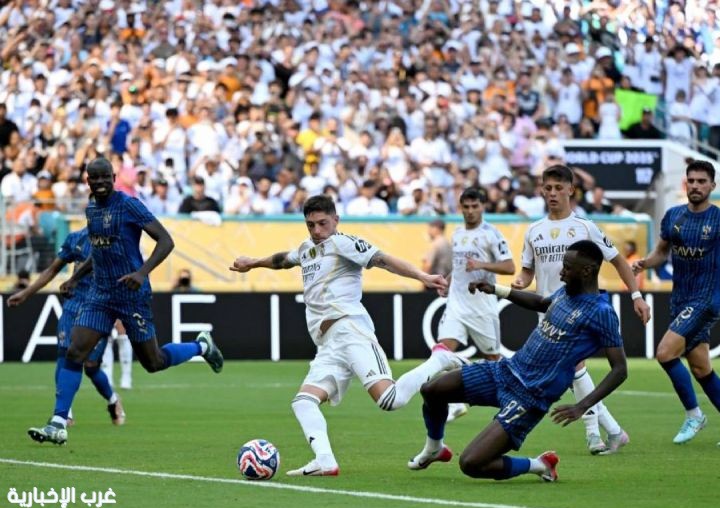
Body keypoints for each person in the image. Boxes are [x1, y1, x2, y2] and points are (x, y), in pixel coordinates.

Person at [229, 194, 465, 477]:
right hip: (327, 344)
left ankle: (440, 359)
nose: (317, 230)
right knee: (303, 402)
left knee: (390, 400)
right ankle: (325, 461)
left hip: (351, 330)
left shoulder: (344, 243)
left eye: (322, 223)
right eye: (311, 225)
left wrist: (423, 277)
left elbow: (383, 260)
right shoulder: (307, 249)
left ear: (336, 220)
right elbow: (282, 260)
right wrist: (253, 263)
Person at [27, 157, 224, 445]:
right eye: (94, 178)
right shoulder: (92, 210)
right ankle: (58, 422)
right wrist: (76, 278)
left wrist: (142, 273)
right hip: (100, 295)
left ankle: (201, 346)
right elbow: (98, 252)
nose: (100, 182)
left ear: (114, 177)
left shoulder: (129, 205)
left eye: (104, 177)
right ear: (87, 181)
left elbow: (166, 241)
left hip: (132, 295)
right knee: (75, 351)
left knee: (153, 362)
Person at [406, 240, 629, 482]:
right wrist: (496, 289)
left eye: (567, 267)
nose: (561, 272)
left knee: (471, 463)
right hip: (506, 370)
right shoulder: (567, 292)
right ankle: (435, 448)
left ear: (586, 271)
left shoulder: (602, 312)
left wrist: (582, 406)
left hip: (530, 396)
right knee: (432, 390)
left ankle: (539, 465)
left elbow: (620, 369)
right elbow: (541, 303)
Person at [512, 164, 651, 454]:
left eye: (558, 188)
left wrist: (636, 295)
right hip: (547, 312)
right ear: (542, 190)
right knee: (569, 373)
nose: (552, 193)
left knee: (574, 368)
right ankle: (614, 431)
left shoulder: (585, 227)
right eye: (548, 188)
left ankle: (593, 434)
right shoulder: (534, 231)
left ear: (571, 190)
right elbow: (527, 271)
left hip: (580, 309)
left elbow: (618, 260)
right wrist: (520, 282)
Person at [632, 160, 720, 445]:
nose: (695, 186)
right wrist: (645, 263)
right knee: (701, 368)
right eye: (691, 181)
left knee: (665, 353)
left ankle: (694, 415)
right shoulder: (673, 216)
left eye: (701, 181)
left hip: (706, 300)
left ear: (712, 186)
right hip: (680, 300)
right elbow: (661, 252)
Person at [7, 227, 125, 431]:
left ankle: (113, 399)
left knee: (91, 366)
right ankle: (64, 413)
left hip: (99, 309)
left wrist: (119, 312)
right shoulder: (76, 238)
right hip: (73, 306)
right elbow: (52, 269)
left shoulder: (116, 239)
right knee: (64, 355)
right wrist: (26, 293)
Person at [436, 188, 515, 422]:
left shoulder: (492, 234)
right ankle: (457, 402)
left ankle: (513, 401)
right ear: (460, 208)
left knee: (493, 361)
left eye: (475, 206)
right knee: (442, 351)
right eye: (466, 207)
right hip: (456, 305)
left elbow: (509, 267)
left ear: (483, 207)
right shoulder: (457, 233)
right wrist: (447, 281)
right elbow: (459, 266)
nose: (470, 211)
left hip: (482, 307)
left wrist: (481, 264)